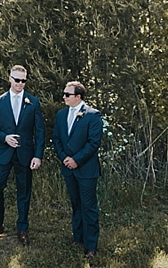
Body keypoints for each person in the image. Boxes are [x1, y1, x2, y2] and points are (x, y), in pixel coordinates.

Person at [0, 64, 45, 246]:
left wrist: (38, 155)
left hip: (26, 154)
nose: (20, 83)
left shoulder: (33, 102)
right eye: (17, 80)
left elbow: (40, 131)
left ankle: (22, 228)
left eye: (23, 81)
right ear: (10, 79)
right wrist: (4, 137)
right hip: (4, 153)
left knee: (24, 191)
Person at [52, 81, 103, 259]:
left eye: (67, 94)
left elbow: (93, 143)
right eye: (64, 94)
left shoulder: (93, 115)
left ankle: (91, 245)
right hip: (68, 168)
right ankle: (78, 237)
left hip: (86, 169)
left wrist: (76, 160)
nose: (64, 97)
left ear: (78, 97)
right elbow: (57, 138)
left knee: (89, 206)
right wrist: (65, 158)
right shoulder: (61, 114)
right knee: (76, 204)